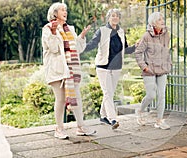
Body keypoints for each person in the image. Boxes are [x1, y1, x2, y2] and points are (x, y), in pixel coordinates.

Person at [42, 2, 96, 139]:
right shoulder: (47, 28)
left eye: (65, 10)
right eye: (62, 10)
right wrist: (54, 32)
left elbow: (78, 49)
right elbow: (53, 49)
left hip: (71, 70)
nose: (65, 12)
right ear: (55, 13)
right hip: (57, 69)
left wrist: (82, 36)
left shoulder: (70, 29)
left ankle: (81, 127)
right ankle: (59, 129)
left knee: (76, 97)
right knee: (60, 99)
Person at [83, 9, 136, 129]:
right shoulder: (102, 31)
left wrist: (135, 47)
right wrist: (80, 47)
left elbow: (125, 49)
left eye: (117, 16)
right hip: (103, 66)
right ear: (108, 18)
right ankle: (113, 119)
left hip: (116, 67)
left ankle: (103, 116)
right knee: (107, 92)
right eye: (113, 16)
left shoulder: (121, 31)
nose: (115, 18)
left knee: (109, 93)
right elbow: (92, 44)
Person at [134, 12, 172, 130]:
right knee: (151, 95)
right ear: (154, 23)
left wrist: (168, 64)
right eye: (160, 19)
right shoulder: (146, 36)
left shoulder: (167, 35)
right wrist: (144, 67)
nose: (163, 21)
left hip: (162, 69)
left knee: (161, 95)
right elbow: (138, 53)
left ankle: (159, 121)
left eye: (163, 19)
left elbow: (166, 50)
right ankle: (140, 110)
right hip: (149, 70)